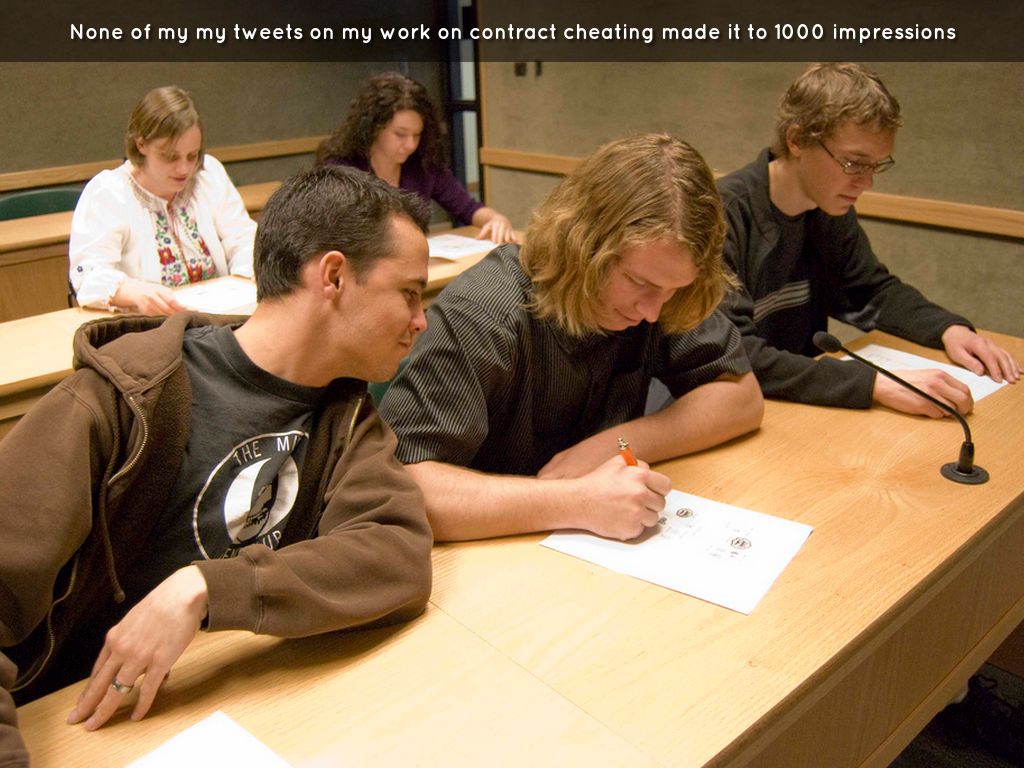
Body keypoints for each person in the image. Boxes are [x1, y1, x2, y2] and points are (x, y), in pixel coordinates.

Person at [0, 165, 434, 761]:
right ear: (333, 276)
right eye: (408, 293)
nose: (421, 319)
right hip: (74, 719)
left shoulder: (345, 414)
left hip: (222, 709)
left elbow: (398, 554)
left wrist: (207, 586)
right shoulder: (123, 398)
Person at [379, 133, 764, 543]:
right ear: (584, 244)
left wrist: (615, 445)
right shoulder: (484, 312)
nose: (653, 312)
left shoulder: (658, 287)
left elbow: (742, 397)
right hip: (484, 553)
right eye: (639, 283)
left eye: (671, 291)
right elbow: (401, 487)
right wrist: (575, 501)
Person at [718, 62, 1021, 418]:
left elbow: (870, 291)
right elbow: (735, 352)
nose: (867, 183)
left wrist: (946, 328)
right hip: (738, 411)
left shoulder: (826, 208)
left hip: (798, 407)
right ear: (797, 139)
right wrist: (875, 384)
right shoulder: (722, 215)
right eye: (854, 163)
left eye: (875, 166)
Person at [69, 86, 257, 314]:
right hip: (151, 325)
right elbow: (87, 274)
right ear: (141, 144)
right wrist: (132, 291)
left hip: (219, 317)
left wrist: (249, 272)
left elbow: (243, 238)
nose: (184, 169)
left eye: (192, 156)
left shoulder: (209, 174)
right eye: (170, 156)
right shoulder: (109, 192)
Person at [316, 71, 516, 244]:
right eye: (400, 134)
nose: (411, 144)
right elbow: (334, 237)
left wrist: (495, 219)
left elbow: (468, 208)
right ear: (373, 128)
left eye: (417, 135)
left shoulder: (423, 165)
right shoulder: (341, 170)